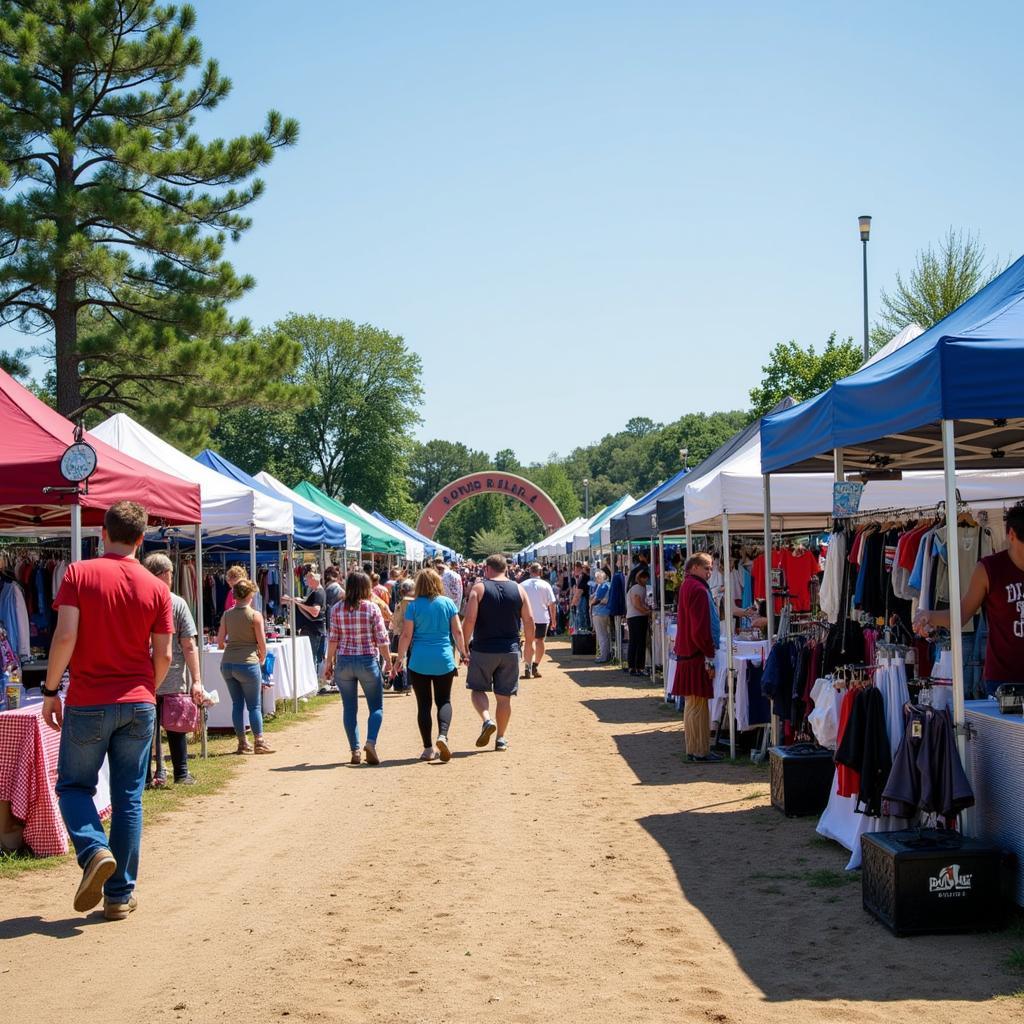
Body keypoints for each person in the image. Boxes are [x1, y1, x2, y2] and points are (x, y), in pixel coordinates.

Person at [44, 501, 173, 920]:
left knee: (74, 788)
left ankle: (94, 849)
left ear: (103, 533)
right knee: (128, 799)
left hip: (87, 700)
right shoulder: (157, 588)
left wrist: (50, 690)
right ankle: (119, 896)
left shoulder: (79, 573)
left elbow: (65, 637)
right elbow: (165, 654)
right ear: (141, 538)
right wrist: (145, 690)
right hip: (137, 700)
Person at [914, 501, 1024, 697]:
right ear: (1012, 535)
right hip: (1003, 679)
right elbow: (962, 614)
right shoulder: (989, 569)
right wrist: (929, 616)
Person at [461, 554, 535, 752]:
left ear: (487, 569)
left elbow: (469, 620)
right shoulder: (519, 589)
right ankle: (501, 738)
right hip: (510, 650)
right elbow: (528, 620)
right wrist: (529, 645)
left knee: (477, 689)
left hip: (483, 648)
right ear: (506, 569)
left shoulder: (479, 588)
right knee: (504, 698)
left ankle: (486, 720)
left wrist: (463, 646)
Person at [391, 568, 466, 762]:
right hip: (443, 658)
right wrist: (464, 652)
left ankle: (427, 749)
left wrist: (399, 659)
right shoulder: (448, 603)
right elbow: (457, 632)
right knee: (444, 701)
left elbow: (406, 635)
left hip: (420, 660)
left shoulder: (414, 607)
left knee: (423, 705)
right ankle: (443, 735)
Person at [142, 553, 203, 786]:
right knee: (176, 725)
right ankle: (181, 772)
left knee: (146, 729)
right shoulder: (177, 603)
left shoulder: (137, 599)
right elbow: (188, 644)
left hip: (144, 675)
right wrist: (196, 679)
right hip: (172, 674)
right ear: (165, 574)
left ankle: (145, 777)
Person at [323, 571, 393, 765]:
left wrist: (329, 662)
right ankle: (370, 742)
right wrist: (388, 660)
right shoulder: (372, 608)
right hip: (367, 659)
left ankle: (354, 750)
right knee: (376, 707)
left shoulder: (336, 609)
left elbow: (333, 638)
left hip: (344, 661)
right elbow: (382, 638)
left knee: (349, 708)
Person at [672, 553, 721, 762]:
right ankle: (700, 750)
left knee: (692, 705)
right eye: (706, 568)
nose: (709, 572)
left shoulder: (687, 586)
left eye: (711, 568)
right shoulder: (699, 590)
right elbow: (700, 630)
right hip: (696, 654)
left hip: (687, 652)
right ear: (694, 568)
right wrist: (709, 655)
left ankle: (693, 749)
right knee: (698, 706)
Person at [217, 578, 273, 755]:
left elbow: (219, 642)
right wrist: (261, 658)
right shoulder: (255, 615)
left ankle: (242, 743)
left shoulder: (227, 614)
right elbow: (262, 643)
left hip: (228, 663)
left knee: (237, 704)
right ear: (250, 595)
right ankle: (259, 741)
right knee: (254, 706)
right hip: (248, 663)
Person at [283, 568, 327, 677]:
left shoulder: (318, 593)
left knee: (310, 657)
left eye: (307, 579)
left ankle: (312, 682)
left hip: (312, 630)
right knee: (310, 657)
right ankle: (312, 681)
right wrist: (300, 601)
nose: (306, 582)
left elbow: (315, 611)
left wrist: (299, 604)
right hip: (312, 629)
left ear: (314, 579)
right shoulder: (317, 592)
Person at [520, 562, 557, 678]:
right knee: (540, 641)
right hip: (542, 618)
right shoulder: (546, 585)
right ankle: (535, 666)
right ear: (540, 572)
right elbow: (552, 604)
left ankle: (527, 667)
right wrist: (554, 619)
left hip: (526, 618)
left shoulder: (522, 585)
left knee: (528, 641)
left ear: (530, 571)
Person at [389, 578, 415, 692]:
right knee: (406, 658)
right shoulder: (409, 601)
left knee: (400, 658)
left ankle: (404, 684)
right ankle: (404, 684)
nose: (401, 590)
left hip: (403, 633)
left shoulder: (407, 601)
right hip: (403, 633)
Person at [626, 568, 652, 675]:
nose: (646, 580)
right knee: (638, 642)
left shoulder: (642, 588)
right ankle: (636, 667)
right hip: (636, 617)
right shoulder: (637, 588)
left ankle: (635, 666)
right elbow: (636, 604)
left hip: (636, 617)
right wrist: (647, 612)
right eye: (644, 578)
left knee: (636, 642)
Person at [590, 569, 613, 663]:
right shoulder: (607, 585)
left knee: (602, 635)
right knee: (605, 634)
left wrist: (591, 602)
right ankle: (606, 654)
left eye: (597, 577)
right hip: (605, 612)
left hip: (599, 612)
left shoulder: (603, 586)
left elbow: (595, 599)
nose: (596, 579)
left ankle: (604, 656)